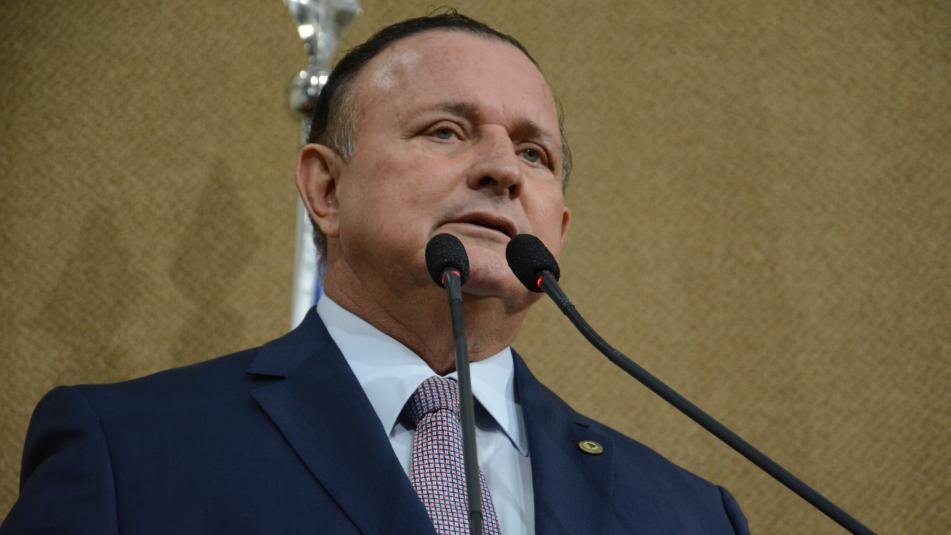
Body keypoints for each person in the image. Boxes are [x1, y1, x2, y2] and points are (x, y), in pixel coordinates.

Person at [1, 12, 750, 535]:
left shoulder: (689, 514)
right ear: (326, 189)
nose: (501, 169)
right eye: (446, 131)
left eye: (534, 153)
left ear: (557, 230)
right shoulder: (130, 451)